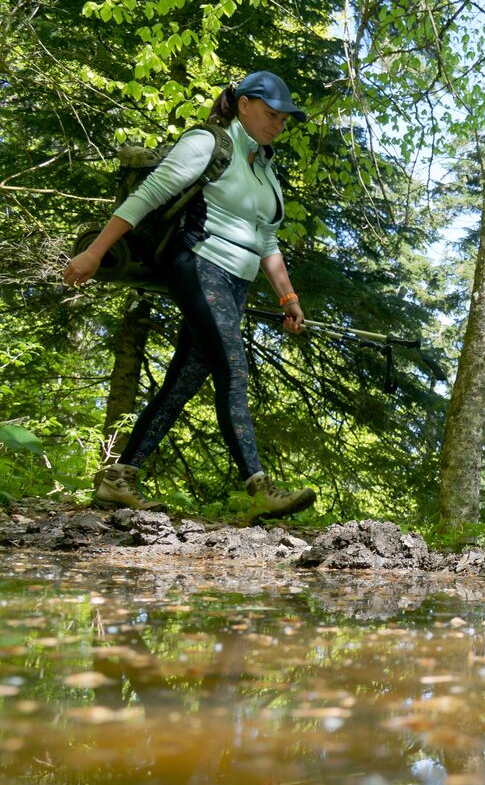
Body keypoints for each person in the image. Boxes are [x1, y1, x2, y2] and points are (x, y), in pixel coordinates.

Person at [65, 71, 316, 520]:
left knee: (183, 381)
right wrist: (93, 253)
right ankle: (260, 487)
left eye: (284, 119)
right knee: (233, 371)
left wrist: (287, 297)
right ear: (244, 105)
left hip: (235, 282)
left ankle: (117, 481)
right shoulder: (208, 144)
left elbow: (268, 242)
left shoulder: (266, 168)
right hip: (198, 263)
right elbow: (146, 196)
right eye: (271, 114)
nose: (278, 124)